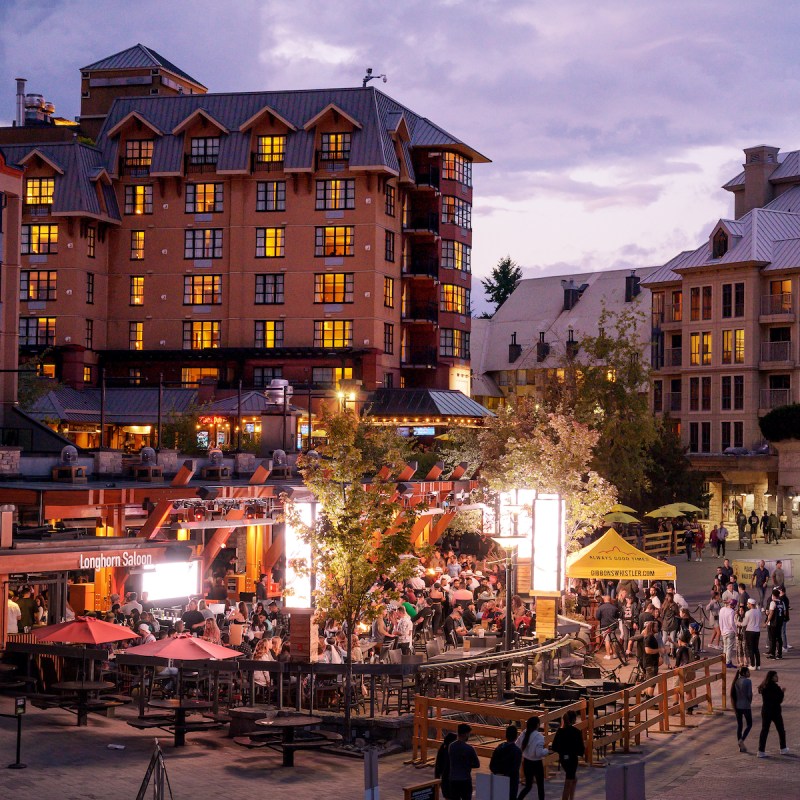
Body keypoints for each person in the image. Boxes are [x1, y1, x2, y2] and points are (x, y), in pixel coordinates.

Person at [552, 710, 584, 800]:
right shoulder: (576, 732)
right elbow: (581, 749)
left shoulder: (560, 731)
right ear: (573, 720)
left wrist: (563, 752)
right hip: (572, 759)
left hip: (563, 759)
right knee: (569, 781)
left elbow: (554, 747)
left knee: (573, 779)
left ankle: (571, 798)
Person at [757, 670, 790, 757]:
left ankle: (761, 751)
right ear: (772, 677)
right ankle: (783, 748)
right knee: (781, 730)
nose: (777, 677)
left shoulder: (763, 687)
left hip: (766, 711)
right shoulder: (776, 688)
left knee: (764, 730)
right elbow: (779, 700)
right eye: (776, 676)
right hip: (775, 711)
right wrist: (782, 692)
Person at [516, 716, 549, 800]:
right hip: (537, 764)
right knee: (540, 786)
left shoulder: (524, 733)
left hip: (526, 762)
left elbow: (517, 745)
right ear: (537, 725)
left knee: (528, 786)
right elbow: (538, 754)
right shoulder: (539, 737)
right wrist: (546, 751)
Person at [489, 724, 522, 800]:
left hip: (498, 779)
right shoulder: (517, 751)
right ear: (516, 736)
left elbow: (492, 766)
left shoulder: (499, 748)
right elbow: (515, 769)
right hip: (511, 782)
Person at [448, 723, 480, 800]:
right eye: (469, 734)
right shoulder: (469, 749)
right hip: (465, 780)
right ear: (465, 734)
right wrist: (468, 764)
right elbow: (477, 764)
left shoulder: (451, 746)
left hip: (453, 779)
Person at [731, 666, 753, 752]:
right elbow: (749, 695)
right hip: (746, 705)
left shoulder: (736, 681)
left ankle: (741, 747)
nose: (749, 673)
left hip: (737, 706)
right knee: (749, 724)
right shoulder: (748, 681)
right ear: (744, 673)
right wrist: (749, 702)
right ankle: (741, 740)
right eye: (748, 672)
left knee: (740, 725)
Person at [595, 595, 620, 660]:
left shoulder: (601, 607)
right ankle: (614, 654)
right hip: (613, 625)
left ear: (604, 600)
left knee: (607, 640)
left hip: (604, 625)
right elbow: (617, 616)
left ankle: (608, 655)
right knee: (613, 640)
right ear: (610, 600)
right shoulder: (614, 607)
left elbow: (597, 617)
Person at [434, 732, 457, 800]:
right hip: (449, 777)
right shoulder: (449, 749)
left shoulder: (443, 747)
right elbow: (439, 763)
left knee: (448, 796)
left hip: (445, 777)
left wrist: (437, 776)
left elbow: (438, 764)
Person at [766, 589, 785, 660]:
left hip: (773, 623)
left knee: (773, 639)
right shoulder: (781, 602)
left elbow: (771, 614)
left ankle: (773, 654)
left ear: (773, 595)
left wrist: (767, 621)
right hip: (780, 622)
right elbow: (785, 612)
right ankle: (779, 654)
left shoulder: (773, 603)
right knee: (779, 638)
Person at [743, 598, 762, 670]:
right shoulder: (759, 612)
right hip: (757, 631)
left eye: (748, 604)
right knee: (756, 648)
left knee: (750, 649)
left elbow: (744, 623)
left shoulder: (748, 613)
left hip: (750, 631)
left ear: (750, 604)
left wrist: (738, 623)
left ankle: (753, 665)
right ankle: (758, 665)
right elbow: (760, 620)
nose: (747, 605)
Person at [719, 598, 737, 668]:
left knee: (725, 647)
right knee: (729, 648)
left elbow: (720, 621)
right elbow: (732, 623)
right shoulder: (731, 611)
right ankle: (728, 662)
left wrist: (721, 630)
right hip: (730, 631)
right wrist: (736, 631)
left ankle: (724, 660)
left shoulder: (722, 609)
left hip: (723, 631)